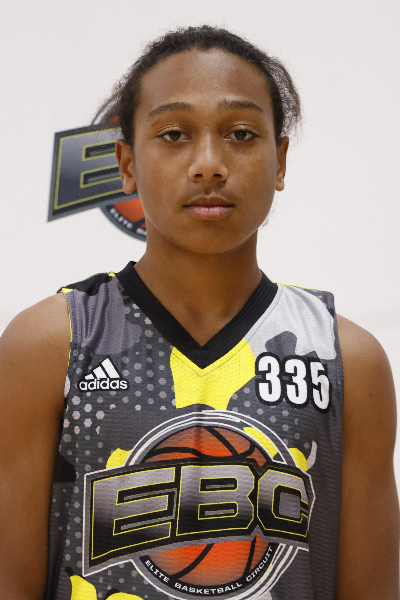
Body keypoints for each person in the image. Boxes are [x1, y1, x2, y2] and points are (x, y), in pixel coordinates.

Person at [0, 25, 398, 600]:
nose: (208, 164)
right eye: (174, 134)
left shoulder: (347, 361)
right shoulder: (51, 344)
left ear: (280, 161)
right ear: (126, 164)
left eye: (241, 133)